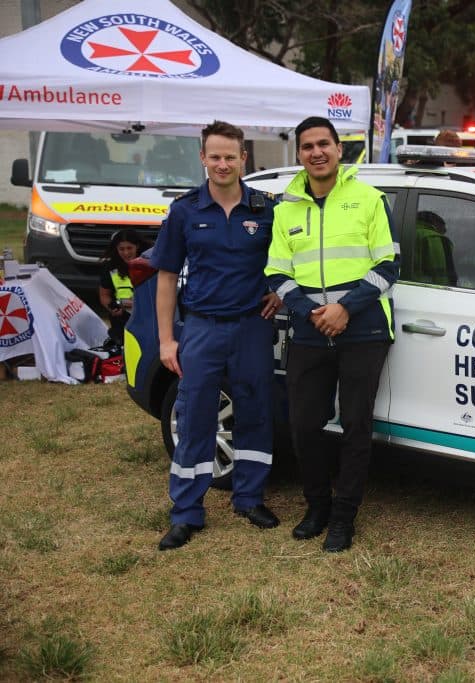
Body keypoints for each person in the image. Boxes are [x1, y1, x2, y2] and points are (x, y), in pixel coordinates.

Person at [265, 116, 399, 553]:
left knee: (356, 426)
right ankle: (316, 506)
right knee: (304, 425)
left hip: (363, 329)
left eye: (324, 144)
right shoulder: (286, 209)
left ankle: (344, 517)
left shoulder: (368, 199)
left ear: (340, 149)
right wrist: (311, 313)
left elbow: (388, 266)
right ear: (299, 154)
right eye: (307, 146)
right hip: (309, 331)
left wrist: (345, 308)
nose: (316, 152)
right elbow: (277, 273)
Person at [150, 121, 282, 551]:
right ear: (203, 158)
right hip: (202, 328)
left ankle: (249, 498)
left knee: (256, 412)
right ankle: (187, 513)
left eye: (231, 156)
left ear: (244, 158)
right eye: (215, 156)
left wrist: (278, 294)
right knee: (195, 419)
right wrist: (167, 340)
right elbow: (167, 278)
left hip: (252, 327)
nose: (223, 163)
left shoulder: (266, 209)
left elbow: (287, 263)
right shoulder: (185, 211)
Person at [98, 229, 148, 344]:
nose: (126, 253)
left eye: (129, 248)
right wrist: (112, 308)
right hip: (122, 318)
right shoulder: (110, 268)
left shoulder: (149, 265)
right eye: (122, 249)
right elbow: (104, 295)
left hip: (147, 316)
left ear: (138, 246)